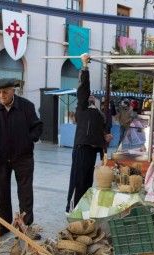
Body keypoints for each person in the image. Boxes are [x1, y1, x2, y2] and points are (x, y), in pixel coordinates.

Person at [0, 78, 43, 237]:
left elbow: (37, 126)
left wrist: (29, 140)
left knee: (25, 192)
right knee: (2, 192)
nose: (1, 95)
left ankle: (25, 225)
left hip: (23, 158)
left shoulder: (26, 106)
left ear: (13, 90)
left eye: (5, 92)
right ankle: (4, 225)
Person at [66, 53, 112, 212]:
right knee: (78, 182)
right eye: (88, 95)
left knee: (87, 183)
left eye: (93, 95)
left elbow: (103, 133)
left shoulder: (99, 114)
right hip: (82, 149)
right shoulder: (82, 108)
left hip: (93, 151)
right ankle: (75, 211)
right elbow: (84, 88)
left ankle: (84, 211)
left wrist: (106, 138)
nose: (90, 95)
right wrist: (84, 67)